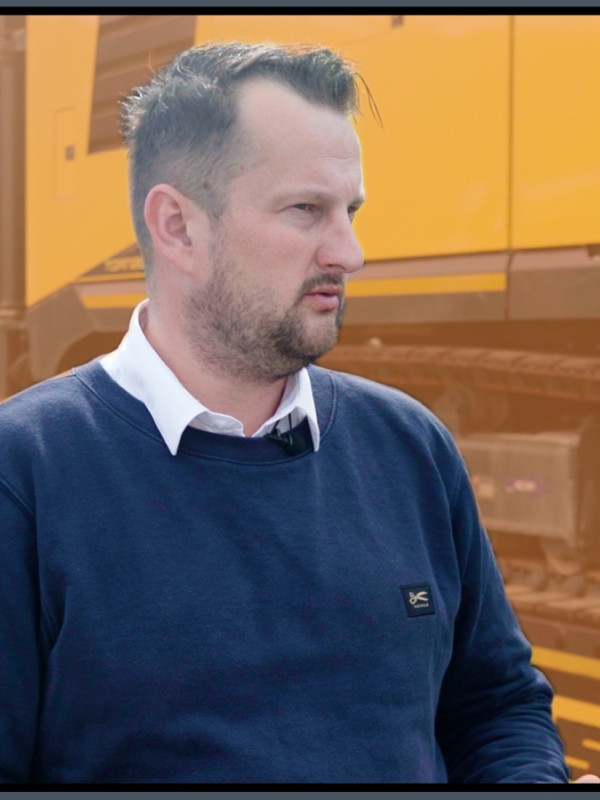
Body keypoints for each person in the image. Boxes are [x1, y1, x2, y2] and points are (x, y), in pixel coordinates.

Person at [0, 41, 587, 784]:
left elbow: (494, 705)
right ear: (177, 226)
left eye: (350, 211)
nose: (350, 252)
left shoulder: (411, 447)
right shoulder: (25, 475)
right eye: (306, 210)